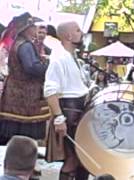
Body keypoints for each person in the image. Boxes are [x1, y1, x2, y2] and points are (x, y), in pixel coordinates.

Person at [44, 21, 90, 180]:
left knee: (83, 159)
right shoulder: (59, 58)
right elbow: (50, 91)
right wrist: (59, 118)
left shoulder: (71, 55)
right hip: (69, 113)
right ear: (69, 36)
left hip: (77, 110)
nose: (81, 33)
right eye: (78, 30)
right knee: (73, 159)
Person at [0, 12, 50, 145]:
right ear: (26, 28)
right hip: (25, 96)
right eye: (33, 26)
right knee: (24, 135)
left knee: (16, 136)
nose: (36, 28)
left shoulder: (19, 43)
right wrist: (49, 66)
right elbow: (32, 68)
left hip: (17, 93)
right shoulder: (25, 45)